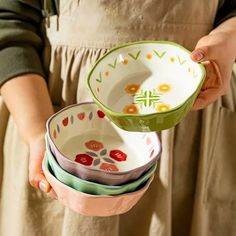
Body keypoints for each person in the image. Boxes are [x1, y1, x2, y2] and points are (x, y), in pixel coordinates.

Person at [0, 0, 236, 235]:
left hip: (195, 126)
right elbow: (9, 21)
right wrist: (37, 132)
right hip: (54, 118)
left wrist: (228, 39)